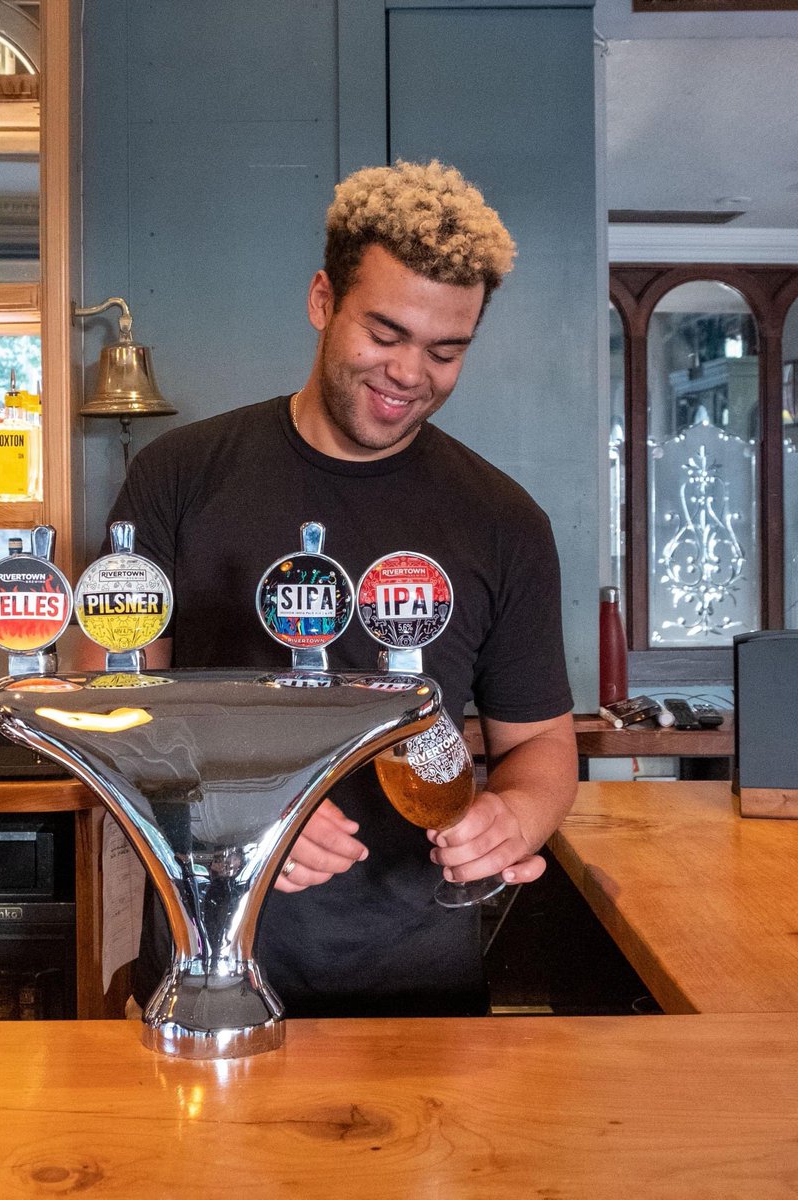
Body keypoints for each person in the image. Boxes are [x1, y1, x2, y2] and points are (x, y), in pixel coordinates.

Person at [104, 159, 579, 1018]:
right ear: (322, 301)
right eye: (385, 334)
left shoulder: (505, 521)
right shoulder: (177, 479)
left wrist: (518, 815)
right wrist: (233, 819)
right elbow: (113, 716)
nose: (409, 373)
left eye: (445, 350)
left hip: (420, 990)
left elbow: (541, 742)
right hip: (210, 973)